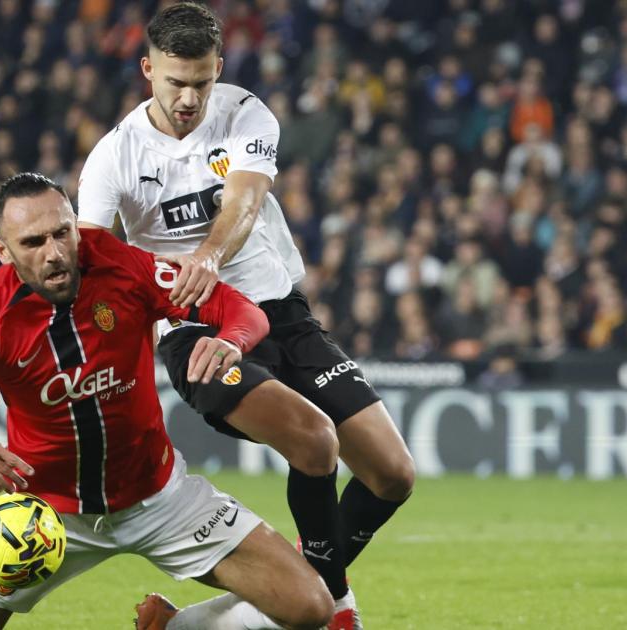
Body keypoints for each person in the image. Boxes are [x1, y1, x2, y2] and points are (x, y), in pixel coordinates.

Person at [0, 173, 332, 630]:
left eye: (63, 233)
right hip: (48, 518)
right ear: (2, 251)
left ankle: (173, 627)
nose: (56, 253)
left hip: (162, 498)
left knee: (310, 607)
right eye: (33, 243)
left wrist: (232, 339)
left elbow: (239, 309)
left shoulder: (122, 264)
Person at [77, 4, 416, 628]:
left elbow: (247, 193)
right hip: (198, 336)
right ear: (147, 69)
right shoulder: (113, 158)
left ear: (219, 70)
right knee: (314, 441)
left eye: (201, 82)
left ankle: (194, 622)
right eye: (175, 82)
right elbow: (87, 264)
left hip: (281, 314)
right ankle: (338, 608)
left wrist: (208, 254)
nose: (188, 98)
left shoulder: (244, 112)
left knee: (392, 474)